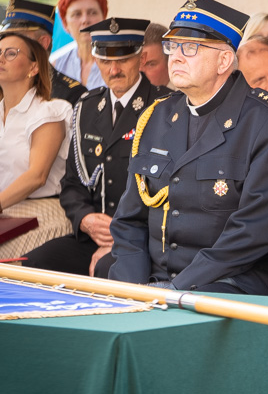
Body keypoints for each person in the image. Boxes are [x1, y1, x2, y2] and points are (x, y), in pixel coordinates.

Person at [108, 0, 268, 293]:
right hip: (154, 280)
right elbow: (129, 220)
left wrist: (177, 287)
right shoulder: (156, 116)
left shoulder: (266, 122)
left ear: (224, 60)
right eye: (172, 46)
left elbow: (253, 231)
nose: (176, 56)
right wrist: (132, 288)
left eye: (191, 47)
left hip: (225, 281)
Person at [23, 18, 166, 277]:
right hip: (94, 236)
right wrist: (85, 219)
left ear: (141, 59)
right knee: (34, 265)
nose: (113, 70)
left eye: (122, 60)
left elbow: (169, 192)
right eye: (104, 61)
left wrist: (122, 236)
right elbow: (72, 184)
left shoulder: (165, 108)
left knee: (105, 269)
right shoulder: (87, 107)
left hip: (144, 238)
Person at [0, 32, 72, 259]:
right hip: (6, 212)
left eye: (10, 53)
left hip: (42, 213)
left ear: (33, 68)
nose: (0, 58)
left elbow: (36, 176)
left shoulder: (49, 111)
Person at [1, 0, 86, 105]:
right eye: (6, 37)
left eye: (19, 38)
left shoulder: (70, 94)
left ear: (43, 42)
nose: (9, 43)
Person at [49, 0, 108, 89]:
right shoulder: (56, 65)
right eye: (77, 14)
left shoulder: (118, 63)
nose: (85, 20)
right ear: (65, 24)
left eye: (92, 12)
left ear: (104, 18)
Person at [141, 22, 171, 88]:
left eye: (150, 64)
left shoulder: (187, 96)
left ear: (169, 64)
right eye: (137, 64)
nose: (140, 72)